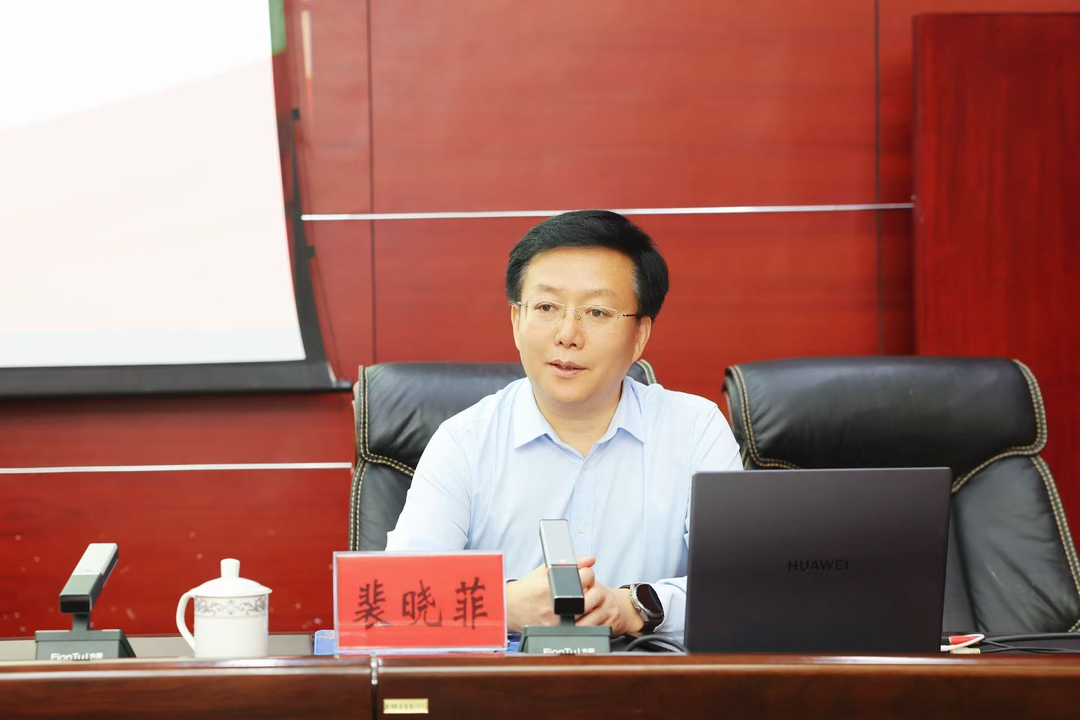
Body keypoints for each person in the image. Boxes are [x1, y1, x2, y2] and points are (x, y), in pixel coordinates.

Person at [385, 210, 742, 635]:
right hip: (508, 675)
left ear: (640, 336)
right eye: (546, 307)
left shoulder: (695, 430)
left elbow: (742, 585)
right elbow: (394, 599)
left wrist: (633, 607)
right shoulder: (464, 442)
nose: (567, 334)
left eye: (597, 312)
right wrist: (503, 607)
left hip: (647, 673)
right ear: (517, 321)